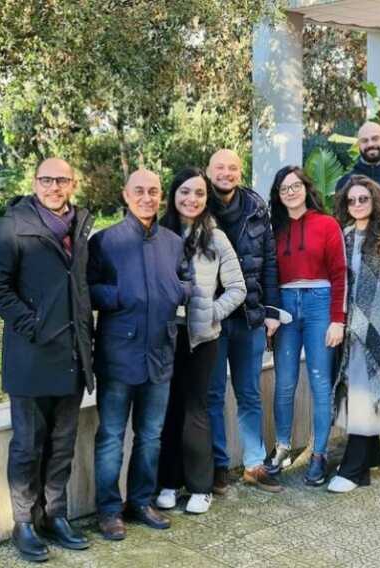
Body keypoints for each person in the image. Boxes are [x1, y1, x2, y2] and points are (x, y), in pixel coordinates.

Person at [0, 158, 94, 562]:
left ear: (72, 183)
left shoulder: (81, 225)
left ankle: (55, 515)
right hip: (31, 356)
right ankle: (24, 522)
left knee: (62, 445)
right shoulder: (12, 225)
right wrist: (33, 324)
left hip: (72, 356)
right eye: (46, 179)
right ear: (34, 182)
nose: (54, 187)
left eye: (62, 180)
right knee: (28, 446)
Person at [88, 168, 189, 540]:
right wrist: (118, 295)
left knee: (150, 436)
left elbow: (186, 279)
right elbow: (87, 289)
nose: (147, 198)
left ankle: (140, 502)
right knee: (111, 437)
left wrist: (179, 291)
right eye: (140, 191)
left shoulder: (173, 242)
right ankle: (108, 510)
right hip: (118, 355)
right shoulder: (105, 241)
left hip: (160, 354)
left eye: (154, 191)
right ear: (125, 194)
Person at [156, 168, 246, 514]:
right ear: (173, 195)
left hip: (202, 338)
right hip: (165, 334)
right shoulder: (159, 233)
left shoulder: (216, 237)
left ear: (207, 199)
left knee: (196, 409)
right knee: (168, 408)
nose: (191, 199)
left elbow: (237, 288)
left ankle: (200, 486)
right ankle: (168, 482)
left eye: (199, 193)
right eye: (185, 192)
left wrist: (212, 313)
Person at [206, 149, 283, 494]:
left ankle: (254, 464)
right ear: (209, 171)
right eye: (220, 167)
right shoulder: (198, 204)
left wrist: (271, 310)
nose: (226, 173)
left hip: (248, 317)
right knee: (211, 395)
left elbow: (269, 261)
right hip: (212, 319)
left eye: (233, 168)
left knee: (249, 393)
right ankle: (218, 467)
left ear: (240, 172)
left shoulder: (256, 208)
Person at [266, 166, 347, 486]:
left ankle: (319, 454)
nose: (290, 192)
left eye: (295, 186)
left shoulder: (327, 224)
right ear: (278, 195)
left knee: (320, 383)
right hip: (285, 305)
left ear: (306, 188)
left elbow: (340, 274)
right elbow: (269, 274)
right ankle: (283, 447)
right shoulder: (274, 229)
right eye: (284, 188)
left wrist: (337, 320)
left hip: (319, 303)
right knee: (284, 382)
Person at [327, 175, 380, 493]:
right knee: (355, 396)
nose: (357, 204)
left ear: (375, 202)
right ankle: (367, 463)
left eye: (364, 199)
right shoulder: (342, 237)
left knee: (364, 398)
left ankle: (352, 469)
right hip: (345, 331)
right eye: (352, 200)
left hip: (376, 334)